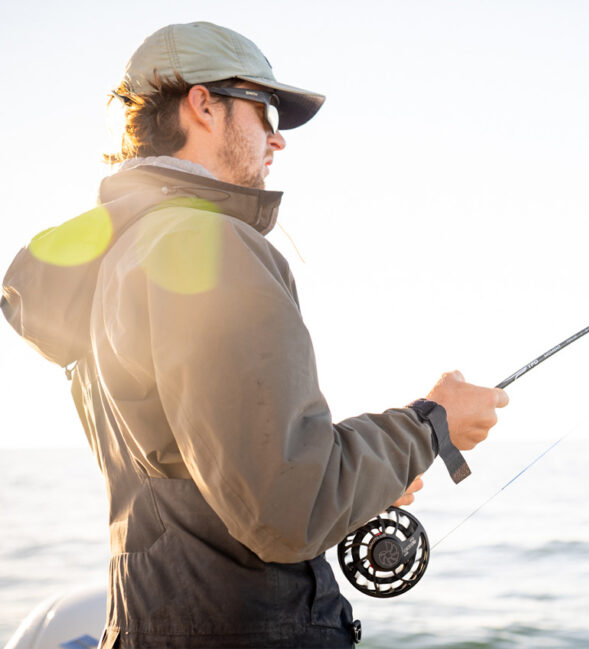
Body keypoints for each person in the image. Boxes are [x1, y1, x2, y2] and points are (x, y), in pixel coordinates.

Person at [1, 21, 508, 649]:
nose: (277, 138)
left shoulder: (118, 260)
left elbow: (211, 477)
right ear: (204, 105)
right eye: (266, 111)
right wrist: (431, 426)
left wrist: (363, 477)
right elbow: (286, 507)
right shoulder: (199, 245)